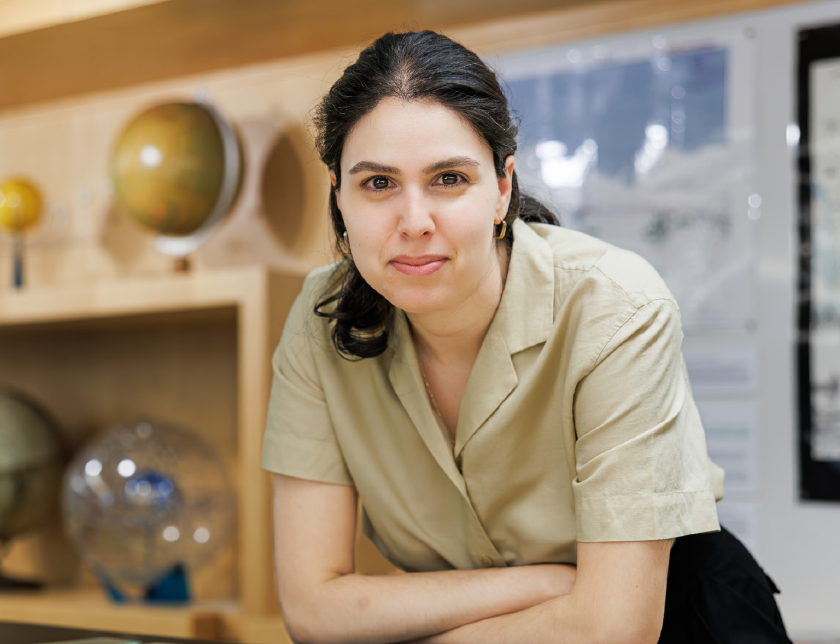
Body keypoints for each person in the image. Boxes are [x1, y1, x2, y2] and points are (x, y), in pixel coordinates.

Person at [261, 31, 788, 644]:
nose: (413, 223)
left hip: (683, 621)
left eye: (449, 179)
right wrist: (545, 584)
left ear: (502, 187)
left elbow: (611, 626)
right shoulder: (319, 318)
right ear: (339, 196)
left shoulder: (613, 302)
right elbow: (313, 609)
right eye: (378, 183)